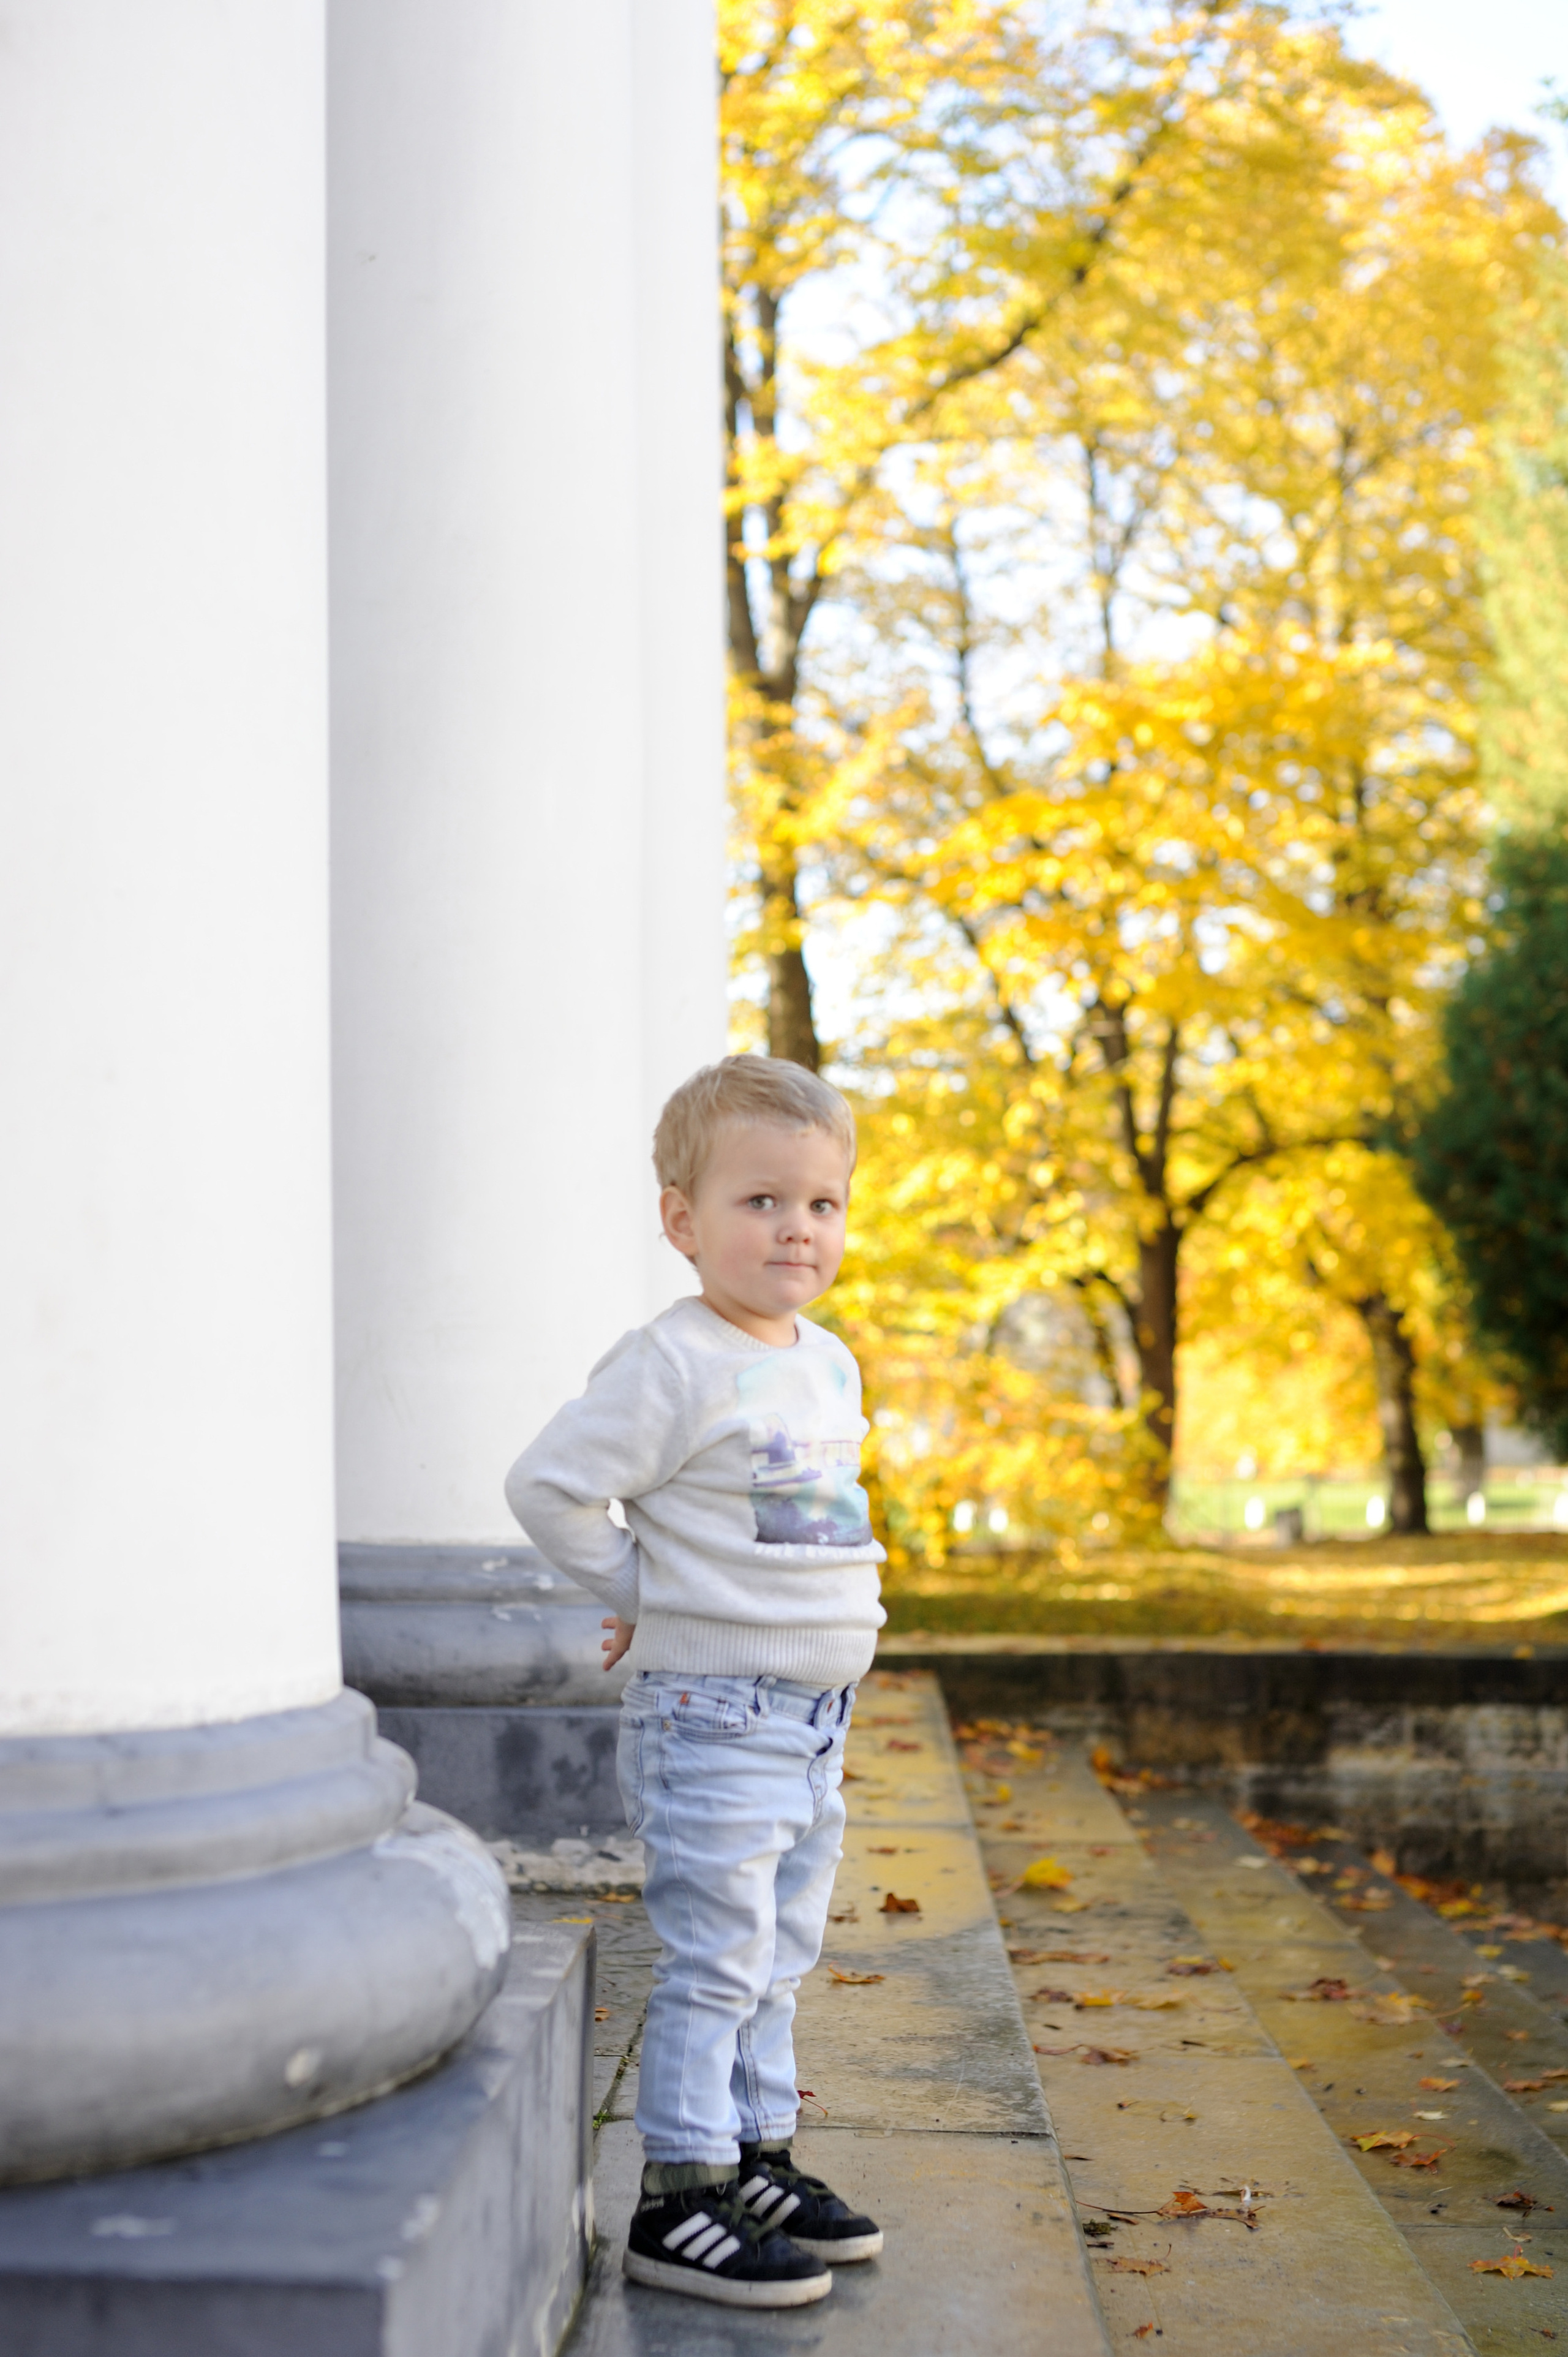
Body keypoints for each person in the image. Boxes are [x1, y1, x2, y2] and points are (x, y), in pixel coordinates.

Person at [505, 1054, 886, 2309]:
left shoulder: (822, 1359)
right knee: (715, 1959)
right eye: (761, 1200)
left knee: (777, 1954)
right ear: (682, 1219)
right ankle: (679, 2194)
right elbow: (548, 1486)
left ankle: (752, 2158)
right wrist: (640, 1592)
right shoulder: (669, 1362)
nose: (796, 1227)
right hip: (714, 1719)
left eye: (821, 1203)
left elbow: (793, 1526)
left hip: (813, 1720)